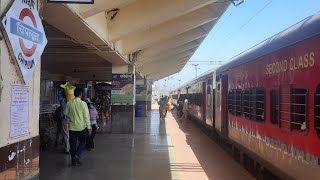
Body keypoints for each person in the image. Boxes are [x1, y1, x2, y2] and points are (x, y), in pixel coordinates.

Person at [65, 88, 91, 166]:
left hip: (72, 128)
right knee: (83, 142)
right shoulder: (83, 104)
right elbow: (86, 116)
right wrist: (89, 127)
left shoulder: (69, 103)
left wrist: (70, 120)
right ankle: (77, 155)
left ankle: (73, 161)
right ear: (81, 94)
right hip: (81, 128)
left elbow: (66, 114)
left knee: (72, 145)